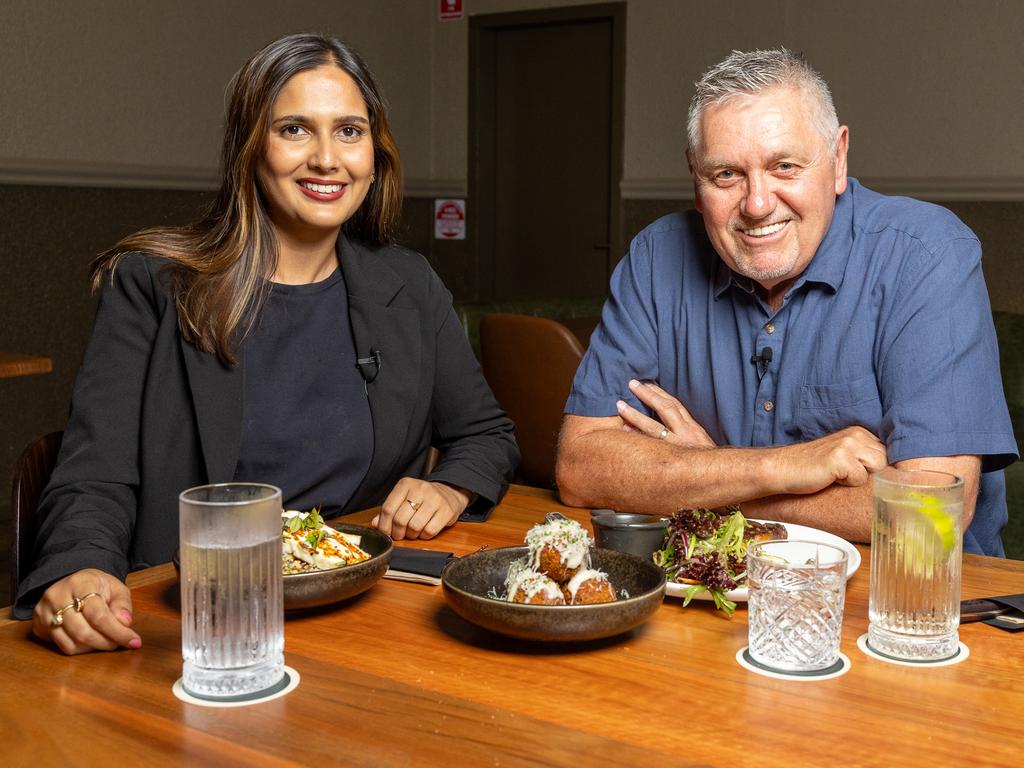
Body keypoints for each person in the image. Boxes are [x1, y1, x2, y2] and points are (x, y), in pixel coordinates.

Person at [17, 33, 518, 653]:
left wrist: (451, 485)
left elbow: (486, 433)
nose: (328, 159)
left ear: (375, 154)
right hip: (198, 624)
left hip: (368, 618)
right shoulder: (151, 285)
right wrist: (79, 568)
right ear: (251, 150)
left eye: (350, 131)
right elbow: (95, 475)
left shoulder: (408, 284)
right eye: (295, 130)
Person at [557, 48, 1017, 556]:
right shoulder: (654, 257)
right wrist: (780, 467)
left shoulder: (926, 255)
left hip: (903, 607)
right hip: (708, 594)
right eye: (726, 174)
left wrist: (708, 487)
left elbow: (930, 513)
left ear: (838, 159)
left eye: (785, 166)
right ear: (695, 176)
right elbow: (581, 468)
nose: (757, 204)